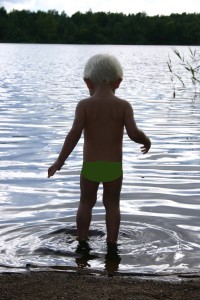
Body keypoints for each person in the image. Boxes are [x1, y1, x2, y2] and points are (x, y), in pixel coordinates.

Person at [48, 54, 151, 245]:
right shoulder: (123, 106)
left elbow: (74, 135)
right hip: (113, 167)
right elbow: (134, 133)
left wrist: (59, 161)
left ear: (88, 82)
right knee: (112, 205)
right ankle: (112, 243)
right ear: (118, 82)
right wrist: (146, 140)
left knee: (86, 203)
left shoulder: (84, 106)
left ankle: (81, 240)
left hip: (91, 166)